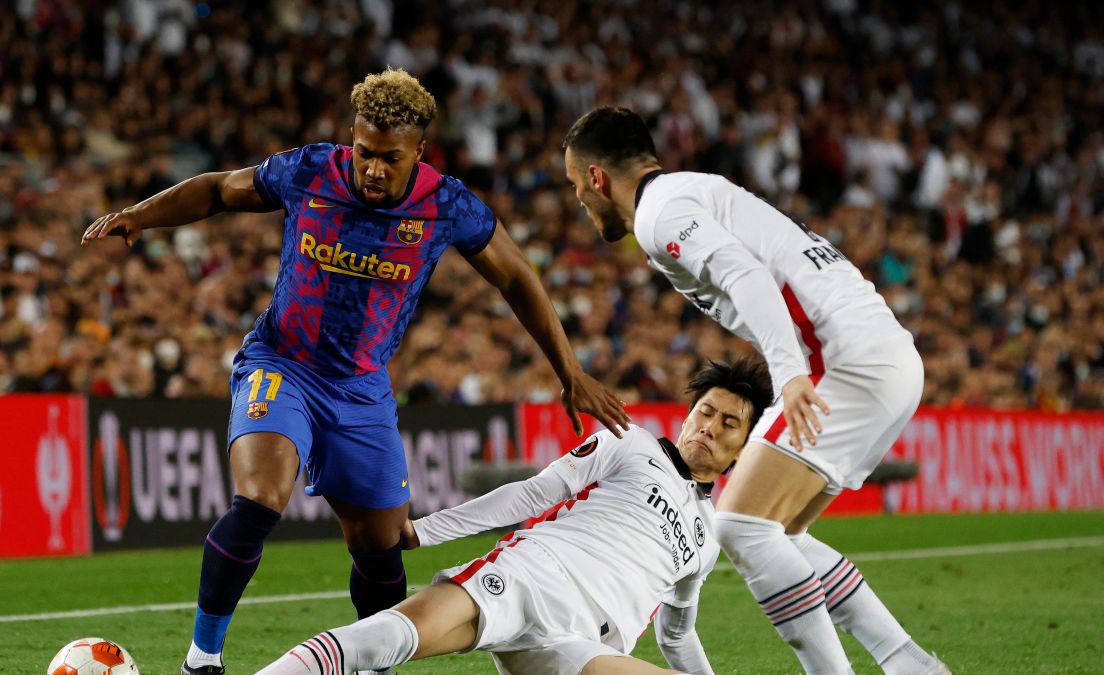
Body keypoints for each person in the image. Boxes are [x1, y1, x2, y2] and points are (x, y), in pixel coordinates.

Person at [81, 68, 630, 675]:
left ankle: (376, 667)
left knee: (381, 545)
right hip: (282, 364)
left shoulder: (447, 205)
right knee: (260, 499)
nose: (372, 169)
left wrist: (570, 371)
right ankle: (201, 660)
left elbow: (517, 277)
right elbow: (219, 189)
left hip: (361, 389)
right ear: (352, 138)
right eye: (364, 152)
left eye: (389, 158)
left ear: (419, 151)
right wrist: (143, 214)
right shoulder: (310, 170)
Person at [560, 106, 949, 675]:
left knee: (739, 523)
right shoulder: (691, 191)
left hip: (843, 358)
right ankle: (910, 664)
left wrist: (790, 373)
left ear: (597, 178)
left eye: (575, 184)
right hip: (883, 353)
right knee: (782, 533)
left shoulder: (661, 214)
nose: (578, 199)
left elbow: (747, 275)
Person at [256, 357, 774, 675]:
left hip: (583, 646)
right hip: (532, 577)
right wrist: (424, 531)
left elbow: (677, 634)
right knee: (390, 637)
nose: (709, 427)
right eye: (705, 411)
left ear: (743, 449)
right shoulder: (631, 443)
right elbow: (533, 494)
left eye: (729, 423)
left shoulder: (707, 540)